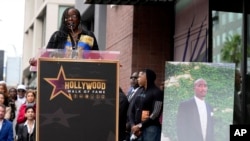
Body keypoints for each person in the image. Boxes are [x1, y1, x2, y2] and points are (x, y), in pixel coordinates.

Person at [128, 69, 163, 141]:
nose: (138, 79)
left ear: (146, 77)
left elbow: (156, 113)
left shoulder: (157, 92)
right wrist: (133, 125)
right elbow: (131, 109)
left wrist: (140, 126)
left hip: (151, 130)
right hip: (136, 130)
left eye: (140, 77)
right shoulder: (139, 90)